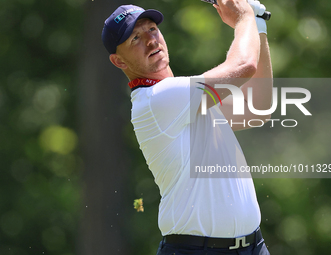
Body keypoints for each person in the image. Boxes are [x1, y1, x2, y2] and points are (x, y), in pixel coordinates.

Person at [102, 0, 272, 254]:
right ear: (119, 61)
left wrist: (258, 27)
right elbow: (243, 66)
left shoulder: (185, 98)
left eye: (152, 29)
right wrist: (244, 17)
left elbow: (259, 107)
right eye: (135, 38)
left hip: (252, 247)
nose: (150, 40)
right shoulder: (157, 99)